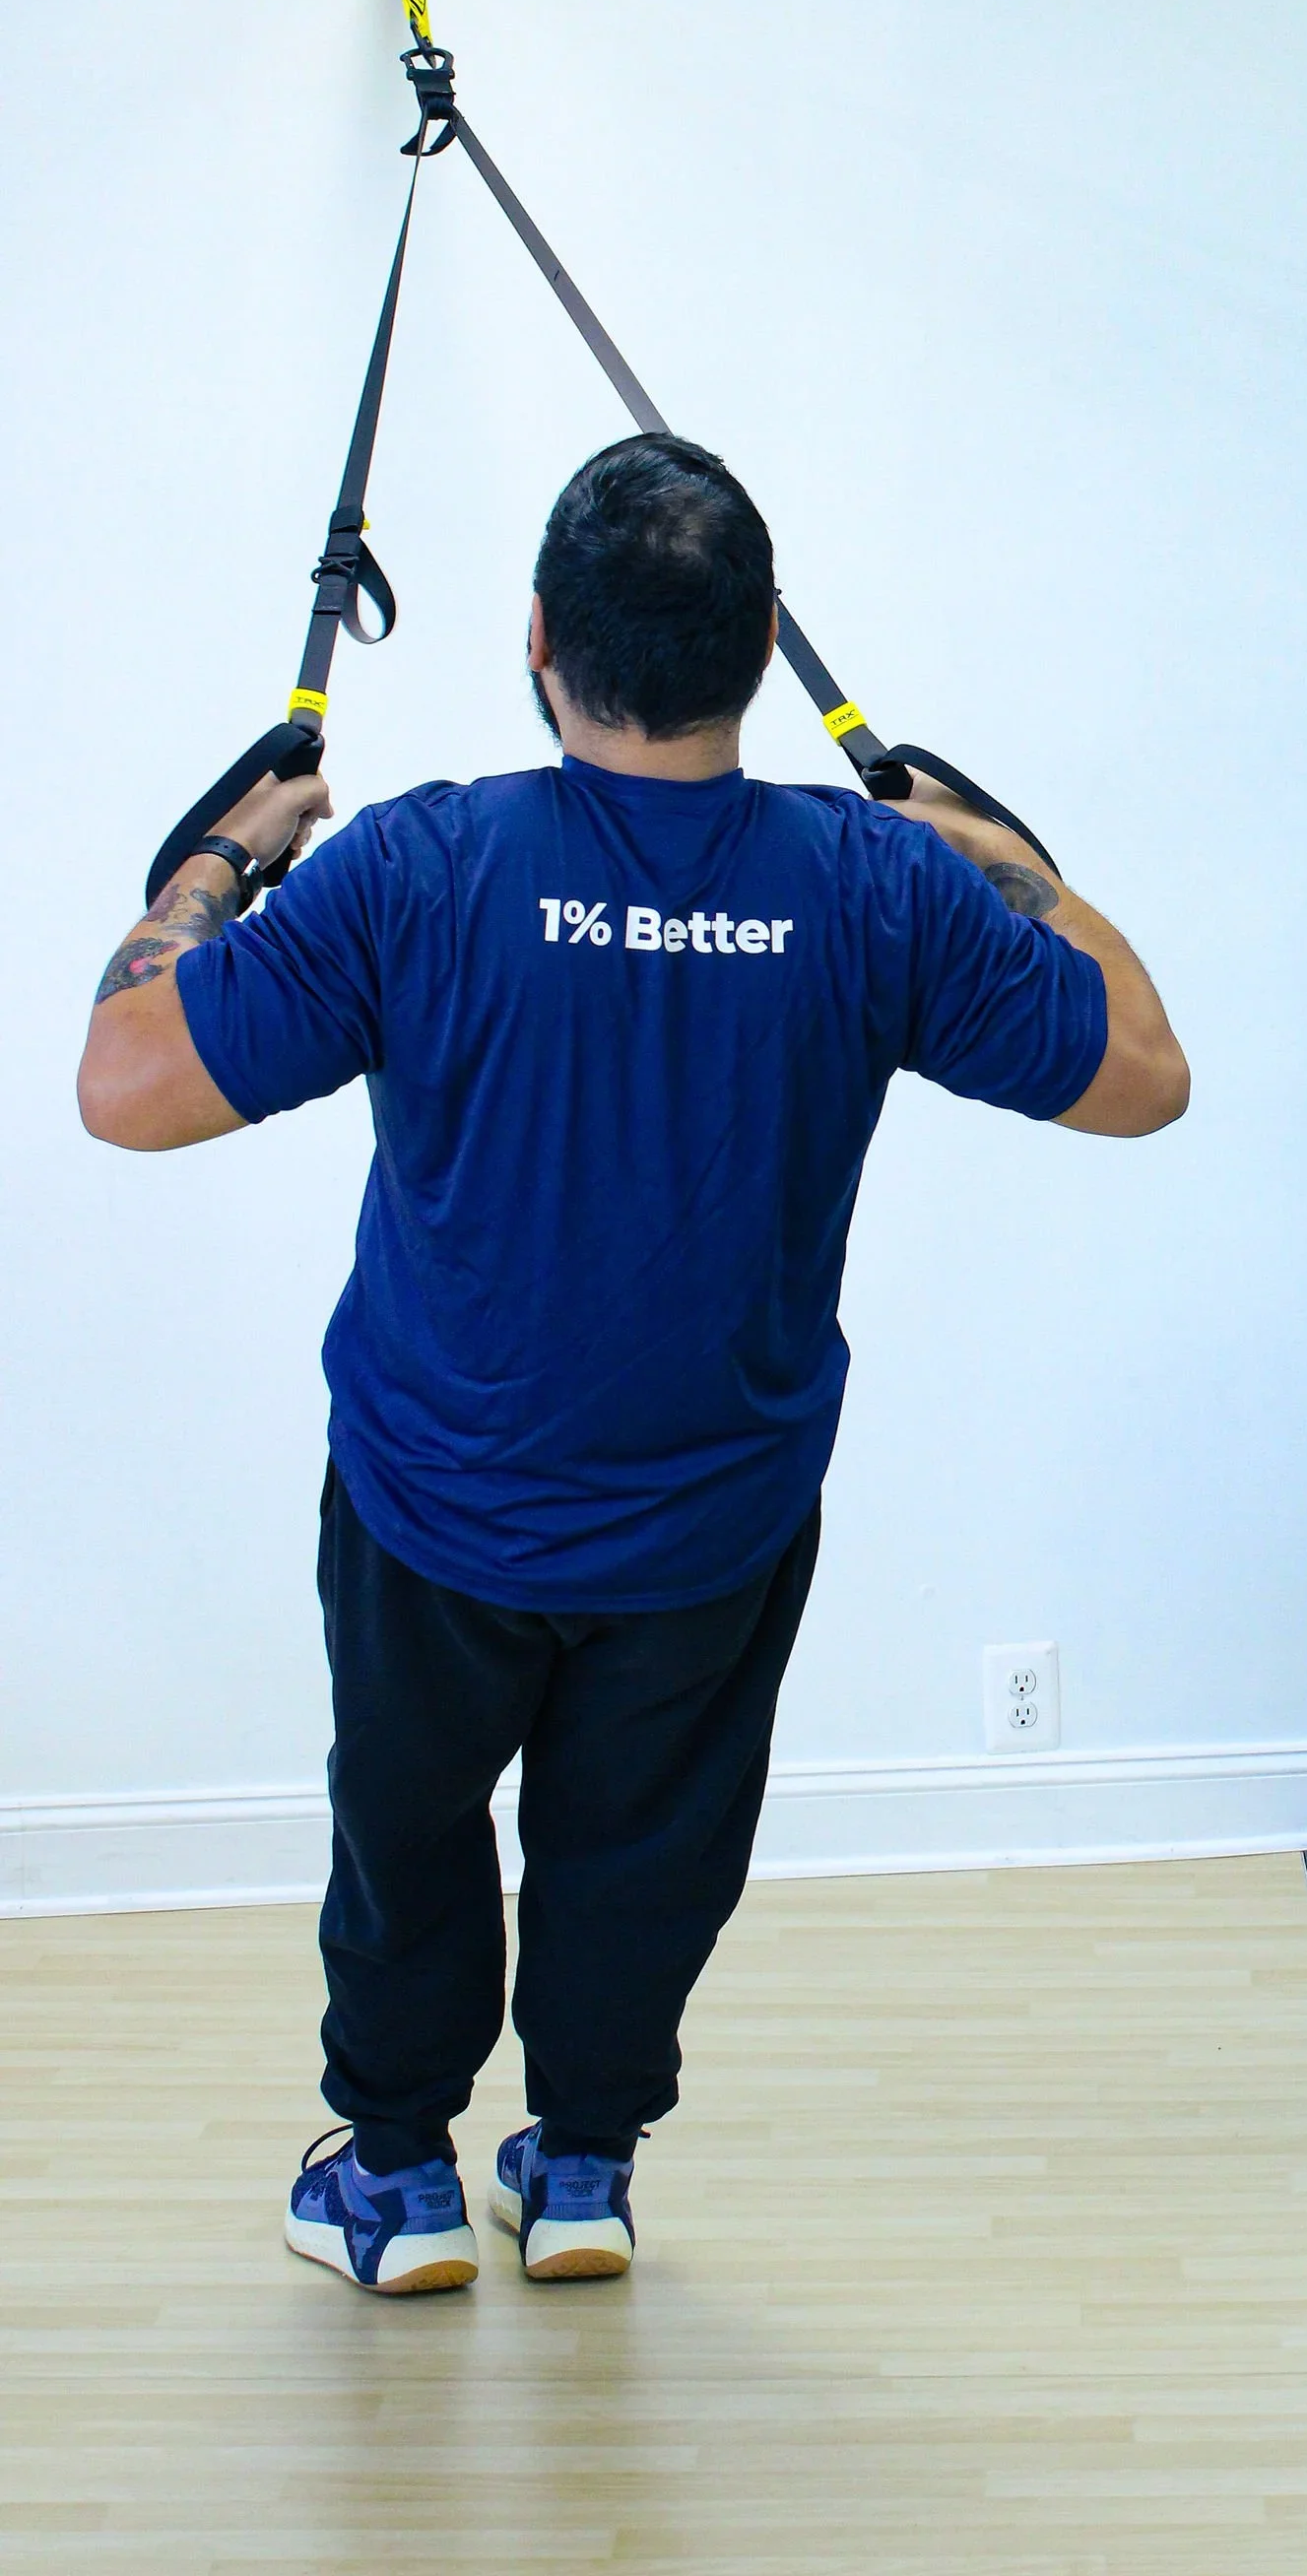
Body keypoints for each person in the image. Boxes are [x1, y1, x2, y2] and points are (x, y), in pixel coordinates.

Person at [79, 434, 1187, 2296]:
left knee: (410, 1835)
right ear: (761, 641)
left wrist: (210, 872)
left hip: (443, 1507)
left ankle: (404, 2178)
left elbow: (124, 1085)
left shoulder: (420, 867)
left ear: (533, 640)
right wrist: (1014, 865)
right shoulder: (875, 888)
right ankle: (581, 2167)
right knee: (645, 1852)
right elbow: (1146, 1073)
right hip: (712, 1521)